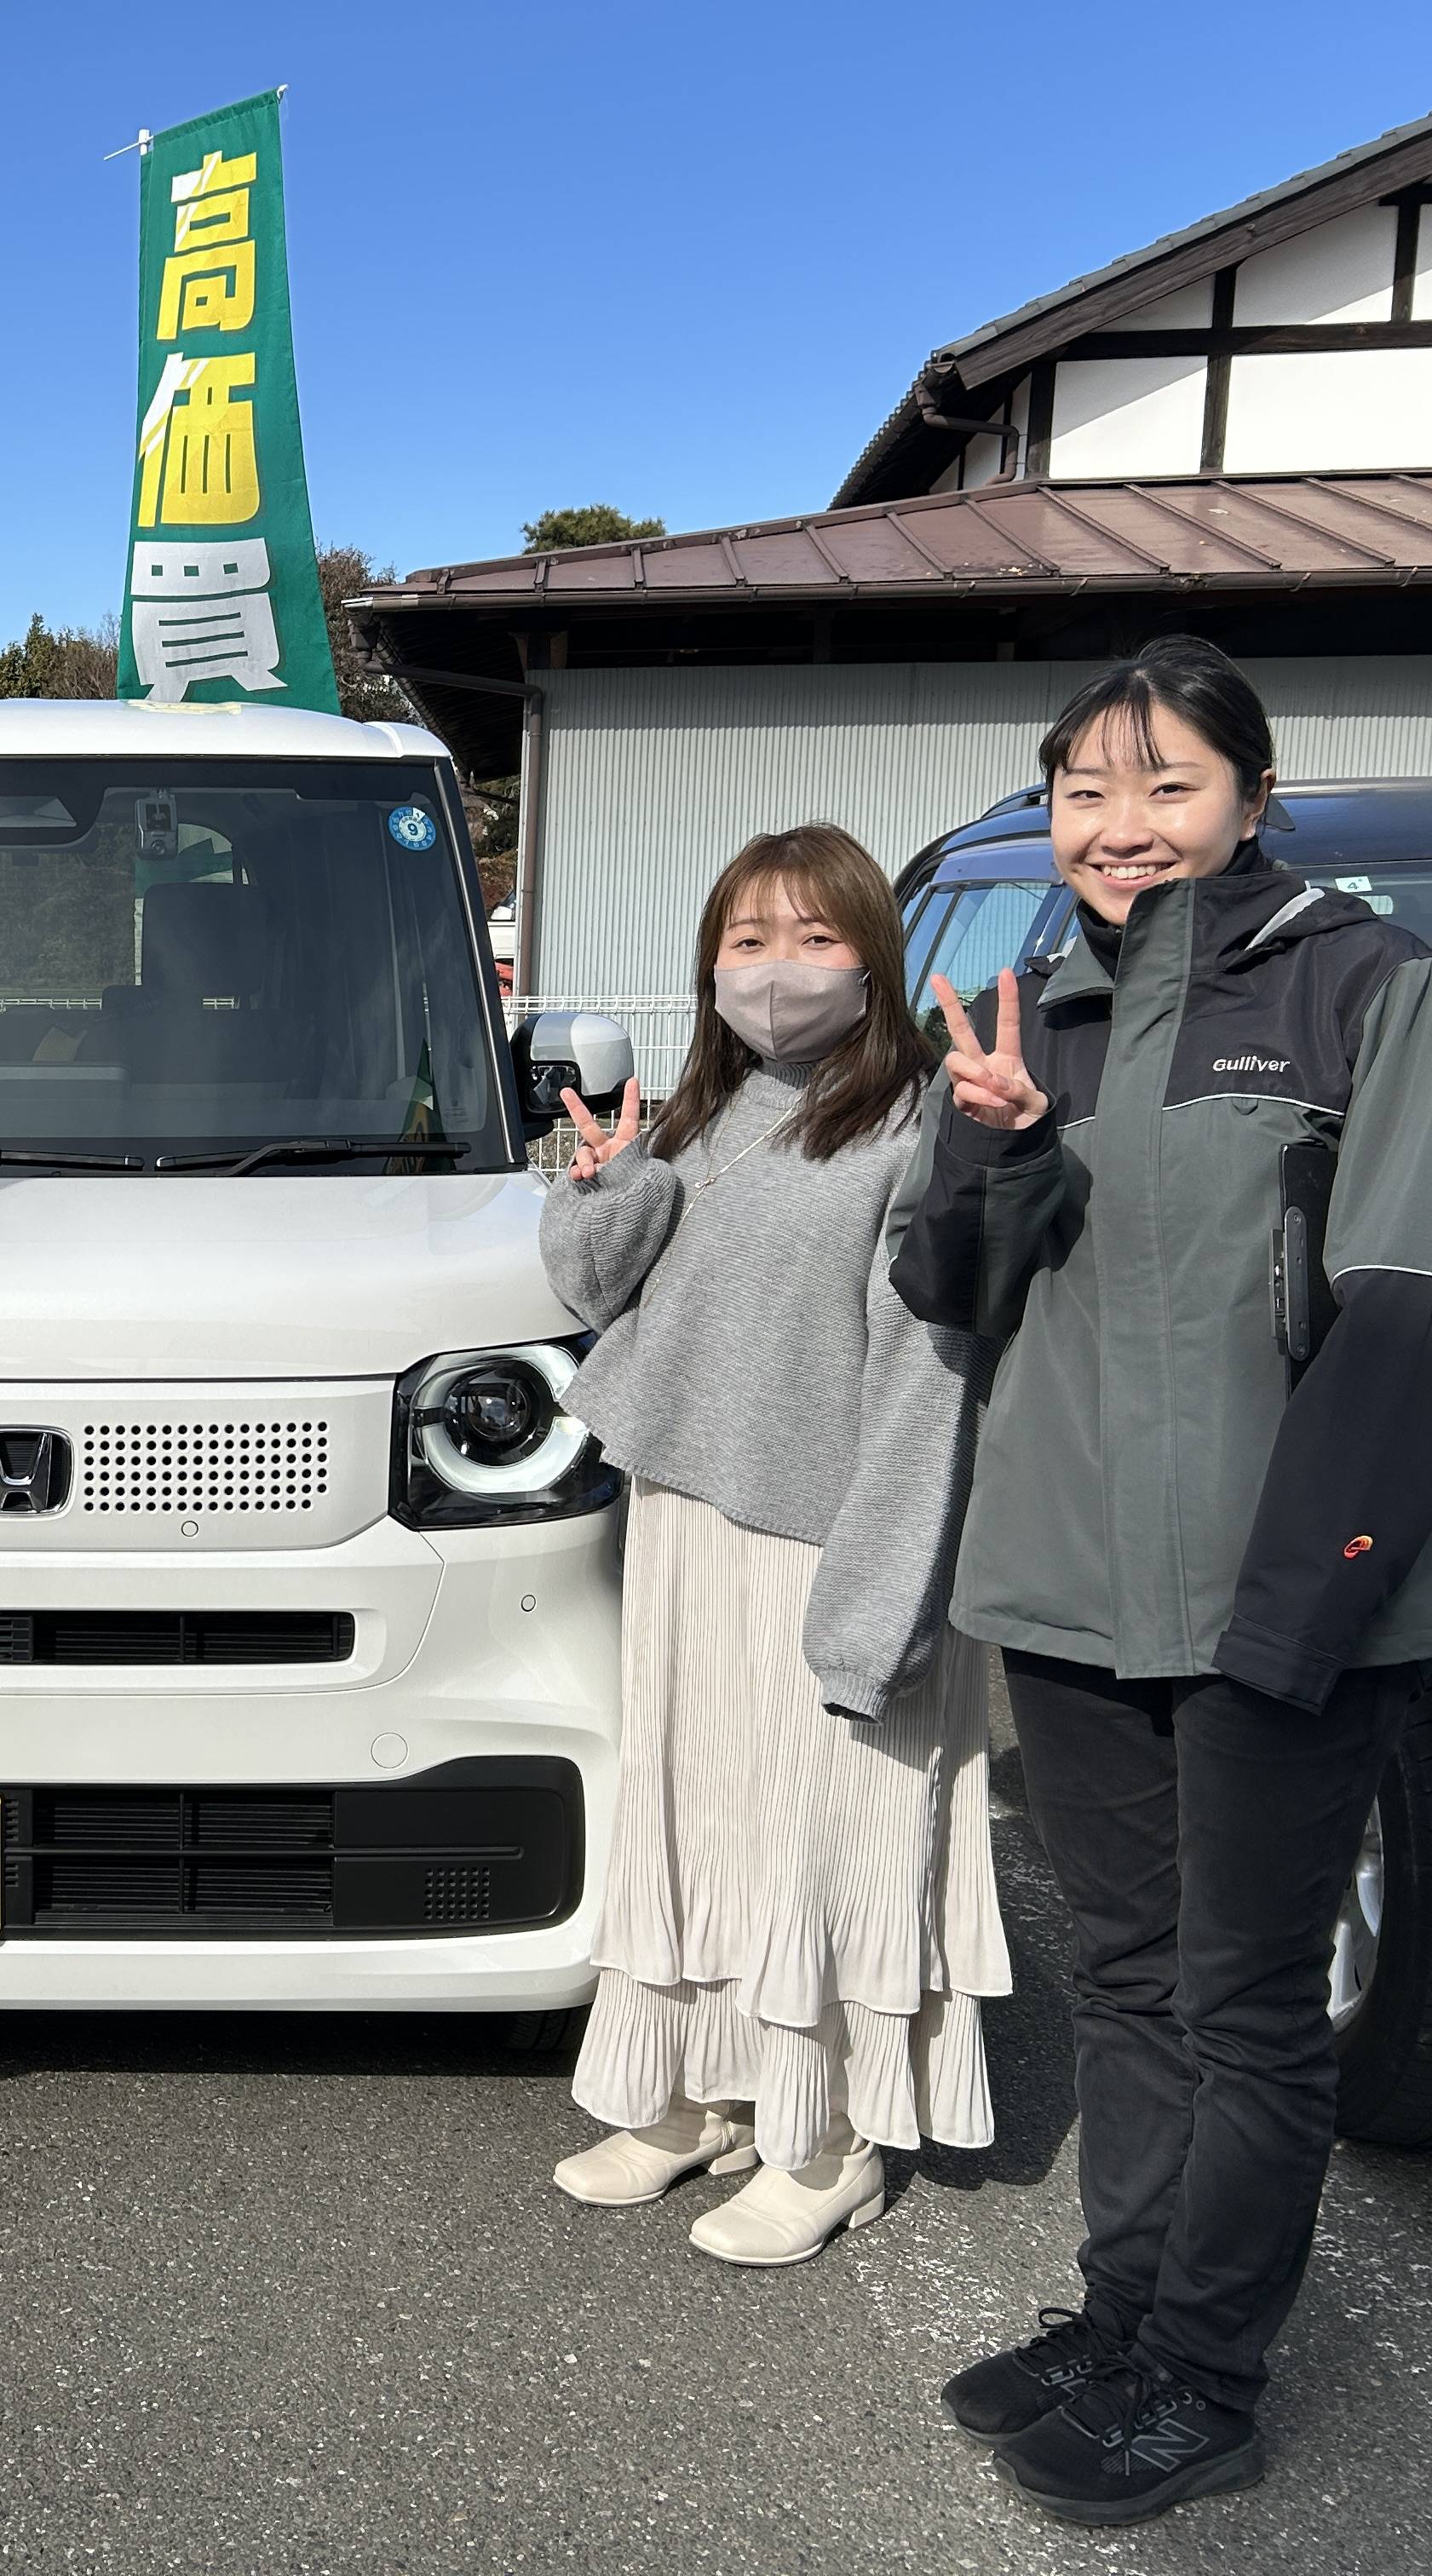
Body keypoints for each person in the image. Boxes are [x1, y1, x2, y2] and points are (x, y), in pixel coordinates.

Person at [893, 636, 1432, 2525]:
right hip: (1076, 1590)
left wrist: (1303, 1607)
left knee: (1249, 2007)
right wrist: (986, 1157)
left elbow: (1421, 1321)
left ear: (1253, 793)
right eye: (1087, 789)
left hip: (1281, 1596)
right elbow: (952, 1298)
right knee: (1137, 1984)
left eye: (1165, 784)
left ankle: (1207, 2376)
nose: (1122, 826)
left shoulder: (1370, 993)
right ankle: (1126, 2314)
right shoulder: (1031, 1019)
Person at [538, 825, 1004, 2268]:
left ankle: (826, 2137)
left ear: (875, 954)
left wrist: (881, 1607)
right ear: (709, 964)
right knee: (699, 1821)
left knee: (819, 1839)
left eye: (815, 938)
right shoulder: (701, 1111)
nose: (779, 970)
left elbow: (932, 1378)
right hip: (688, 1521)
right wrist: (610, 1181)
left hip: (833, 1540)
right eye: (748, 941)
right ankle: (693, 2097)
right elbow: (592, 1291)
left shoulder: (915, 1125)